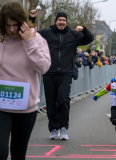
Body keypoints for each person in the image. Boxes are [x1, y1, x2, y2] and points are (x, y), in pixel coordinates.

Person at [29, 9, 94, 140]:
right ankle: (53, 129)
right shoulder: (47, 33)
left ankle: (63, 128)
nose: (62, 22)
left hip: (66, 73)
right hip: (49, 73)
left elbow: (89, 39)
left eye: (64, 20)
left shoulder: (73, 35)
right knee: (51, 103)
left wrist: (83, 30)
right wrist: (31, 18)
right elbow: (31, 35)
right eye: (59, 20)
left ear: (66, 22)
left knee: (63, 100)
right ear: (56, 21)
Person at [0, 2, 51, 159]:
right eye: (8, 26)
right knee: (0, 151)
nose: (12, 30)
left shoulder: (37, 39)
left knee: (18, 153)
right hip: (1, 106)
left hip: (26, 108)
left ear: (23, 22)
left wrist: (30, 42)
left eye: (15, 25)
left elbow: (43, 68)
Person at [93, 66, 116, 145]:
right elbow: (105, 90)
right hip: (114, 106)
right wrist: (97, 95)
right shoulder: (112, 83)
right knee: (114, 121)